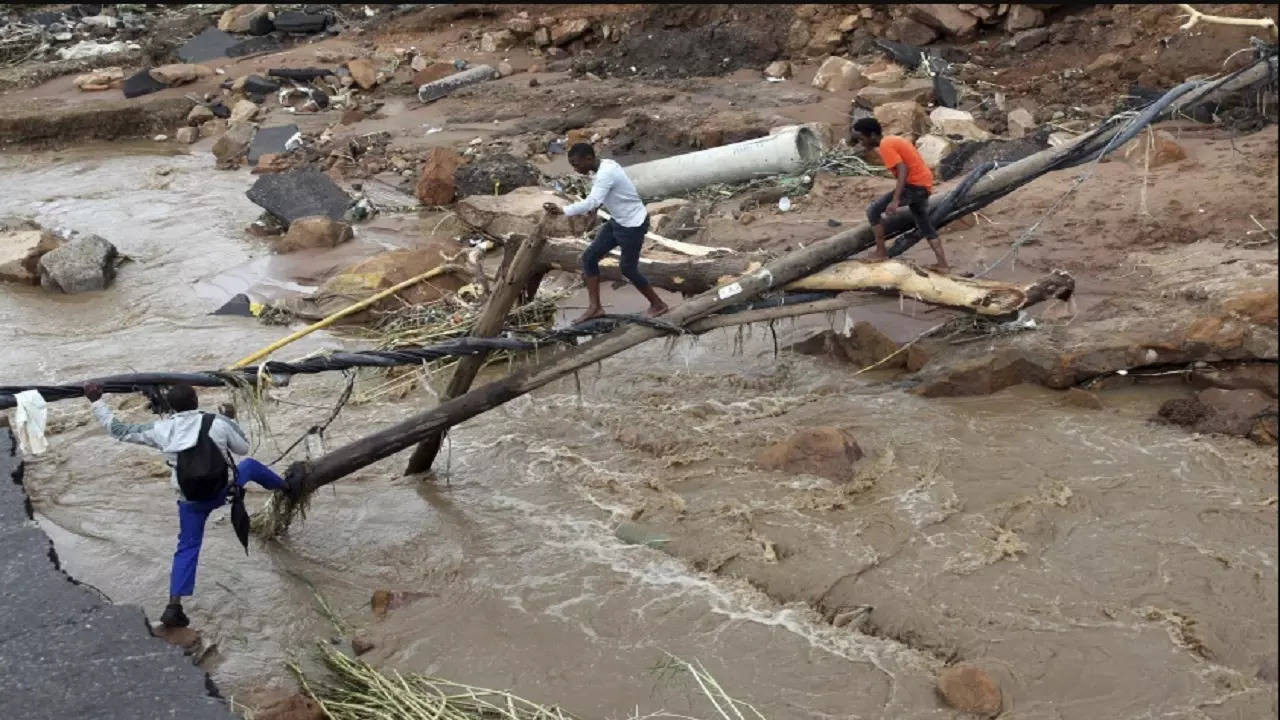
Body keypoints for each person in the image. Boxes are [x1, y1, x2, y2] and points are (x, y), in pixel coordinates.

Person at [83, 382, 296, 628]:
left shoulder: (162, 429)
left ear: (171, 407)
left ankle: (174, 606)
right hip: (222, 490)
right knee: (250, 465)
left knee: (187, 547)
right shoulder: (216, 422)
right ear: (196, 400)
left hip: (191, 501)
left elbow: (119, 430)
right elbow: (243, 447)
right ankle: (287, 488)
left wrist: (96, 401)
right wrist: (231, 419)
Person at [543, 142, 669, 323]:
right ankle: (595, 308)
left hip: (632, 224)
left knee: (628, 269)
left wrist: (563, 210)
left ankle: (658, 304)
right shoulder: (605, 166)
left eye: (577, 165)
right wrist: (597, 206)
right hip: (618, 221)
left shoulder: (606, 173)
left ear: (589, 158)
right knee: (589, 257)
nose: (576, 170)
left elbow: (592, 201)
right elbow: (605, 196)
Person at [851, 117, 949, 272]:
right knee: (924, 223)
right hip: (923, 184)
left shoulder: (885, 145)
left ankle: (881, 252)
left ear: (872, 136)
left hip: (915, 185)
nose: (861, 143)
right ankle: (943, 264)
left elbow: (903, 169)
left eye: (862, 139)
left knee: (873, 210)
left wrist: (895, 200)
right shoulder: (891, 140)